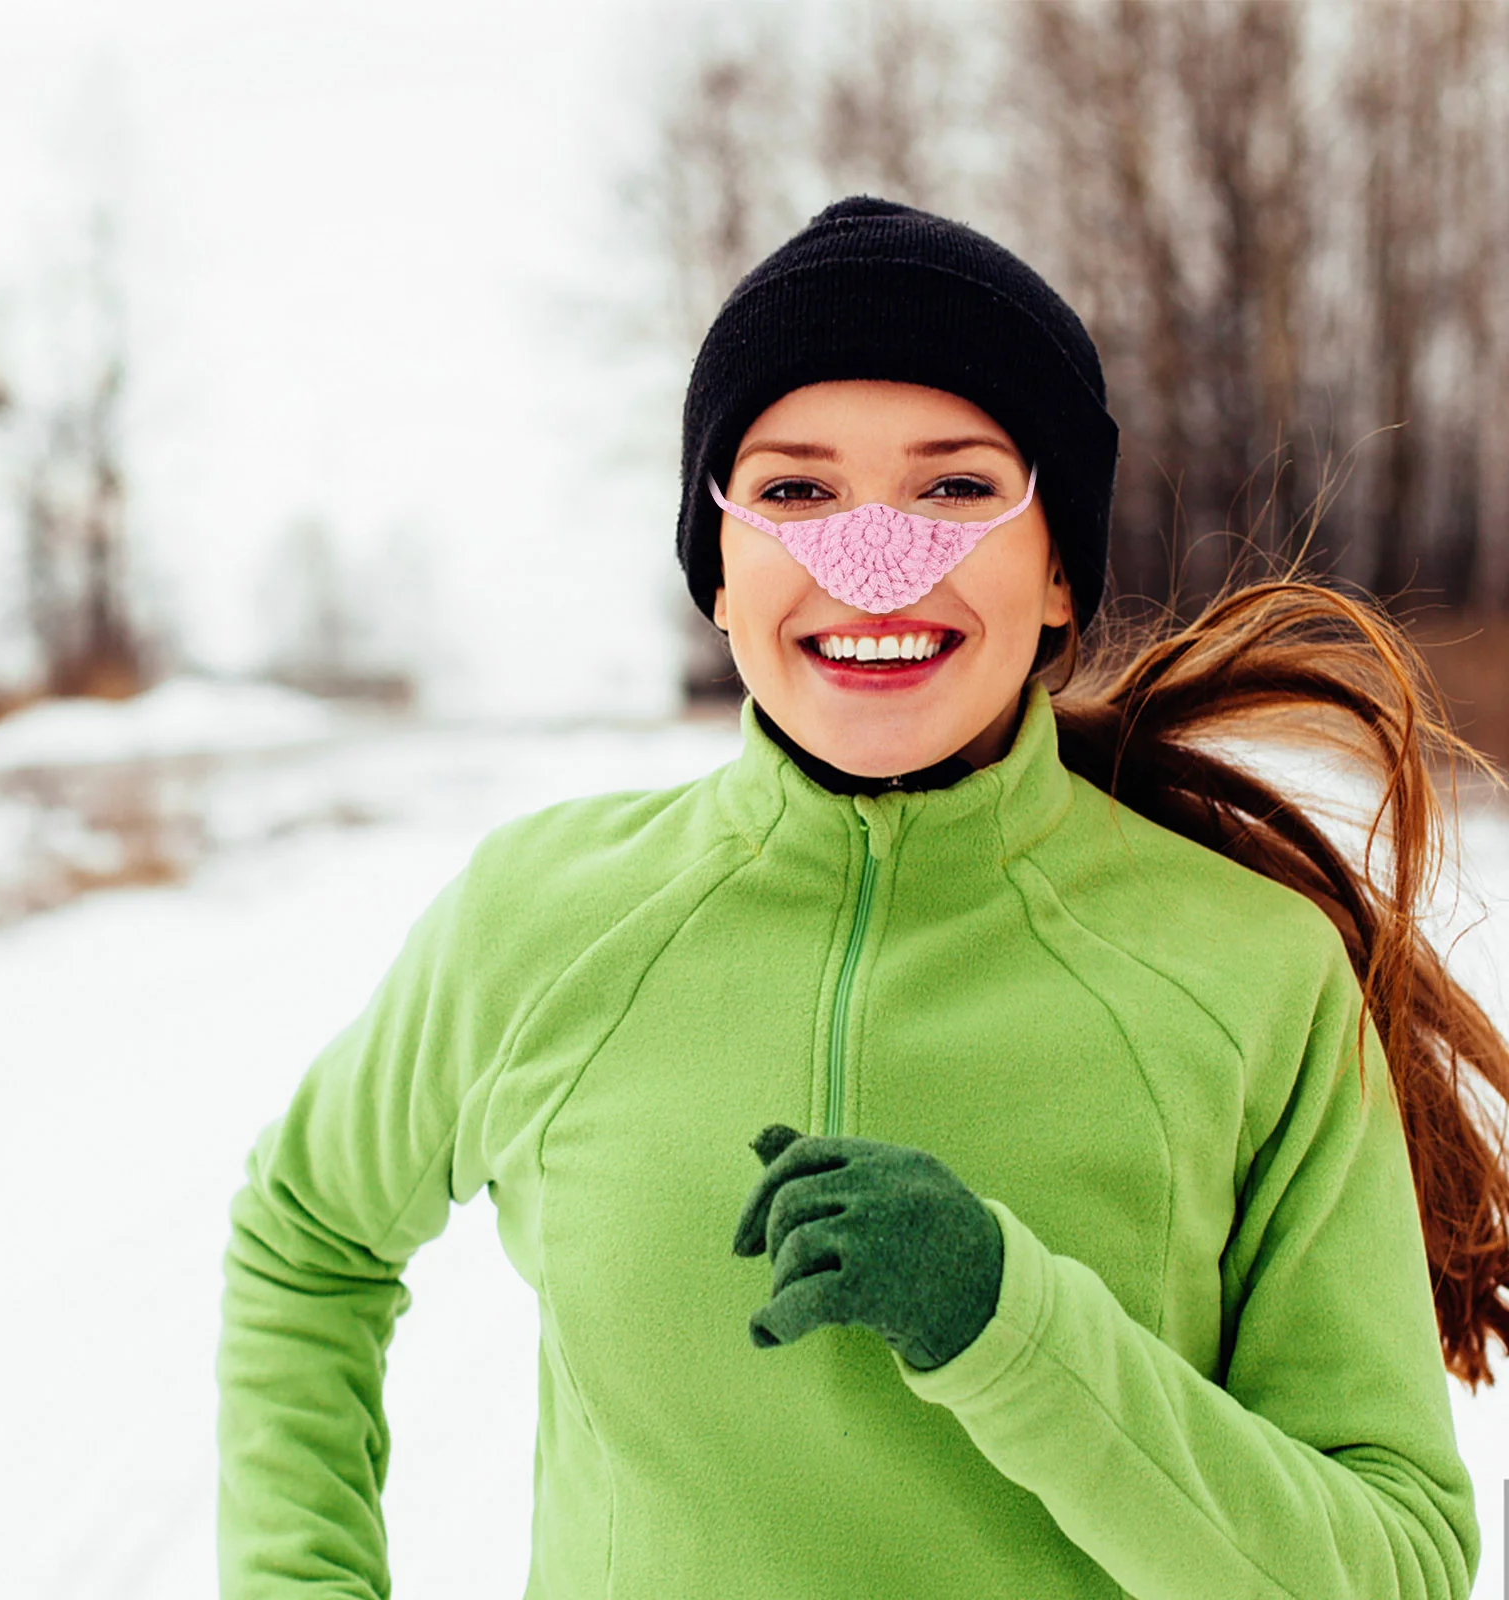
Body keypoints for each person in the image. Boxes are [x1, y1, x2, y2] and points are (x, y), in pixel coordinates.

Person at [216, 197, 1509, 1599]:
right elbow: (305, 1240)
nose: (870, 555)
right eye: (793, 491)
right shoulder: (542, 920)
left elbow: (1402, 1570)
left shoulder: (1255, 973)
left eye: (955, 489)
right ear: (717, 569)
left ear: (1060, 562)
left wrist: (1008, 1327)